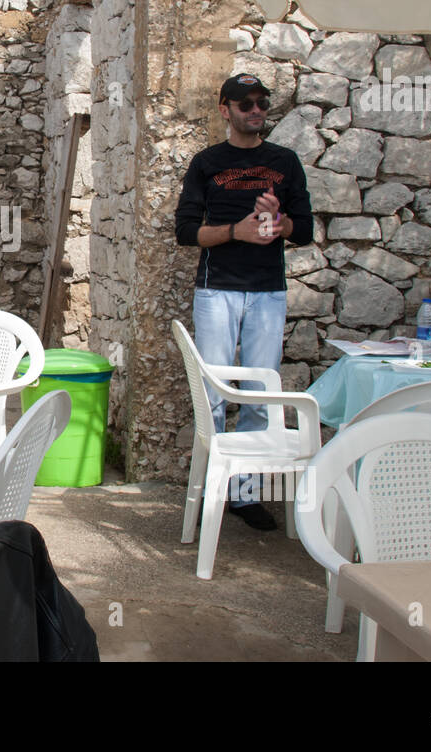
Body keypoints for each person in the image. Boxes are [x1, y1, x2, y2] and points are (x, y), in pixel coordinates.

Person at [174, 73, 314, 531]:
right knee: (214, 392)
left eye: (261, 103)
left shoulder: (285, 162)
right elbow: (185, 232)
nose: (256, 110)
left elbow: (305, 229)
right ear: (225, 110)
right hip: (218, 290)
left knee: (261, 394)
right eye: (246, 103)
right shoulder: (207, 163)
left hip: (268, 291)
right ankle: (213, 486)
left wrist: (279, 221)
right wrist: (237, 230)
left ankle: (245, 493)